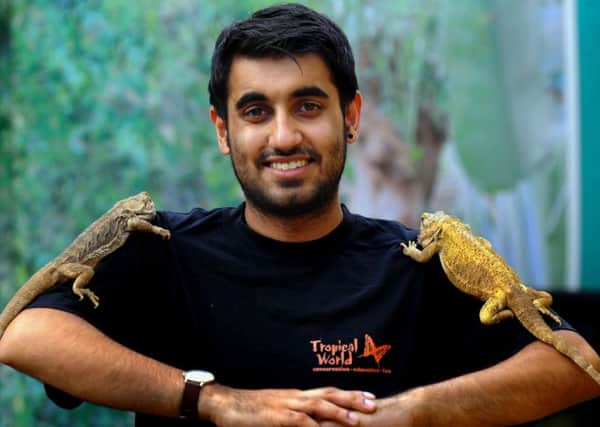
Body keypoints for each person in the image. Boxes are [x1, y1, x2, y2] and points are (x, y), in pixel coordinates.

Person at [0, 3, 599, 426]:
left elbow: (575, 366)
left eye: (308, 105)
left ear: (352, 116)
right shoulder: (164, 250)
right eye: (256, 111)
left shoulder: (418, 263)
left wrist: (412, 411)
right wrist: (214, 401)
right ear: (223, 131)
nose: (283, 136)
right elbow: (24, 336)